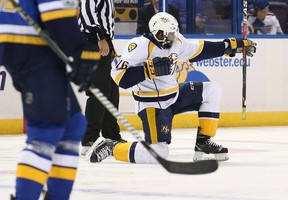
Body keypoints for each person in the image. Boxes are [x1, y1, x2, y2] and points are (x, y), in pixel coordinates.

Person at [88, 12, 257, 164]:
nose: (170, 38)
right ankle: (113, 147)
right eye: (166, 34)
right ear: (155, 32)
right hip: (152, 105)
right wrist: (147, 70)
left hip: (174, 97)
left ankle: (203, 142)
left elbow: (201, 49)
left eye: (172, 33)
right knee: (159, 153)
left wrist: (229, 46)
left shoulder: (176, 41)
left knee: (212, 89)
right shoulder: (138, 46)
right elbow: (120, 78)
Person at [0, 0, 100, 199]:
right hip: (31, 51)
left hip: (21, 47)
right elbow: (59, 18)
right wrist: (81, 50)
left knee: (73, 124)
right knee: (47, 129)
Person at [78, 0, 125, 157]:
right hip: (92, 41)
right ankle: (89, 139)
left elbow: (102, 17)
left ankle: (111, 136)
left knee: (111, 89)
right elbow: (87, 12)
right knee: (99, 90)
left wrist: (110, 44)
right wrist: (100, 38)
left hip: (101, 41)